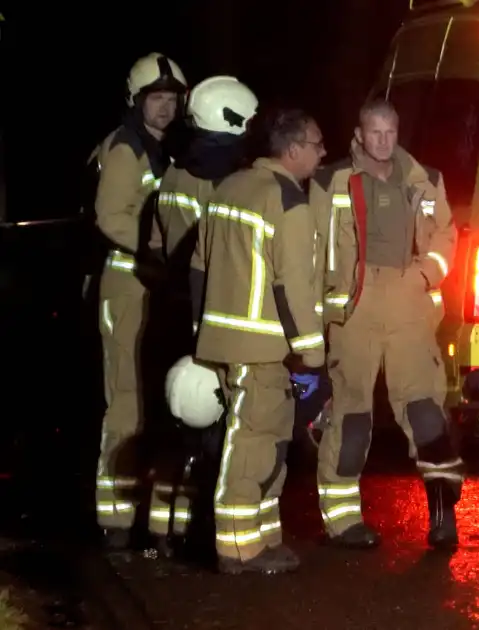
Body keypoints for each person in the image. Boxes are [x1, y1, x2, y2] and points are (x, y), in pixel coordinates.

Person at [308, 99, 460, 550]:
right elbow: (313, 244)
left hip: (408, 298)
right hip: (353, 305)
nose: (382, 141)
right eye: (374, 132)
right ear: (359, 134)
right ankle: (342, 521)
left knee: (425, 410)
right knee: (351, 414)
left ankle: (443, 514)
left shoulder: (425, 180)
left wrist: (425, 274)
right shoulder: (329, 180)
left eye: (389, 132)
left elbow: (447, 236)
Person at [190, 108, 326, 574]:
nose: (321, 153)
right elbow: (294, 285)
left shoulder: (229, 187)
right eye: (316, 144)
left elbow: (198, 267)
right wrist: (311, 352)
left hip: (224, 339)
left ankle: (263, 537)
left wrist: (199, 331)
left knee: (267, 442)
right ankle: (238, 546)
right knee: (254, 443)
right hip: (265, 347)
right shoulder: (288, 200)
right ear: (292, 150)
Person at [146, 76, 259, 556]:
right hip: (205, 314)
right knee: (209, 425)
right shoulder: (220, 182)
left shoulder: (174, 174)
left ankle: (158, 534)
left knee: (174, 421)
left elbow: (154, 246)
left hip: (170, 310)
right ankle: (197, 533)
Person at [90, 52, 187, 551]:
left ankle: (149, 511)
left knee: (156, 404)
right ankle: (116, 516)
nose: (166, 108)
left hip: (157, 286)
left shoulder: (163, 149)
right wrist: (157, 247)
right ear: (137, 100)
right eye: (157, 98)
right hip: (128, 285)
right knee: (125, 400)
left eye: (172, 99)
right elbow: (111, 216)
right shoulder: (126, 148)